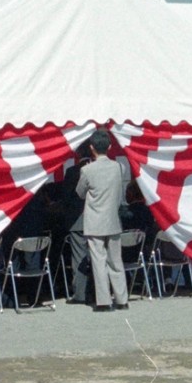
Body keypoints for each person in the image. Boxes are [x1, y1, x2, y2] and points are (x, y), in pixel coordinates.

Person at [73, 129, 131, 312]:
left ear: (91, 148)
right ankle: (122, 299)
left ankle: (104, 301)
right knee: (116, 261)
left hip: (94, 222)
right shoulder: (119, 167)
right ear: (110, 146)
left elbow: (80, 192)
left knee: (99, 261)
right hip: (113, 221)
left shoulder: (87, 170)